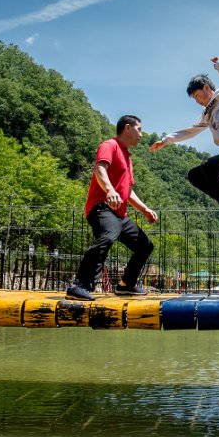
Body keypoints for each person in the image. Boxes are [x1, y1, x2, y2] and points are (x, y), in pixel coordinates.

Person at [149, 57, 219, 233]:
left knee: (209, 165)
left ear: (206, 87)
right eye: (194, 99)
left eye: (197, 95)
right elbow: (191, 131)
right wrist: (166, 140)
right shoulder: (207, 113)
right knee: (195, 175)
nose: (197, 101)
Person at [66, 115, 158, 301]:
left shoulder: (128, 157)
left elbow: (127, 192)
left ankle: (126, 286)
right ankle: (79, 285)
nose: (141, 134)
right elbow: (99, 168)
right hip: (101, 207)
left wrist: (145, 209)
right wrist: (109, 190)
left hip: (119, 214)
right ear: (127, 128)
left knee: (145, 246)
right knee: (109, 235)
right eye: (139, 129)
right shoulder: (110, 145)